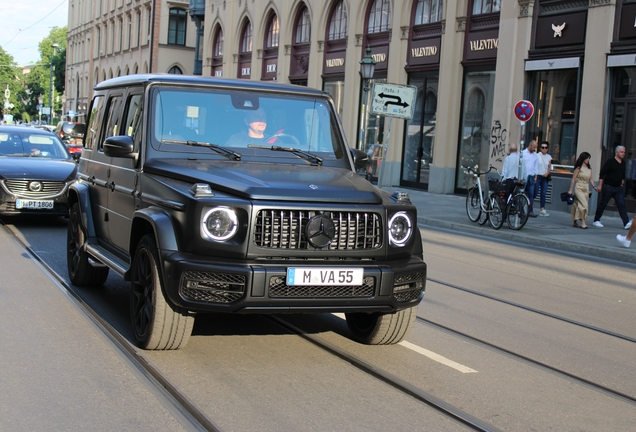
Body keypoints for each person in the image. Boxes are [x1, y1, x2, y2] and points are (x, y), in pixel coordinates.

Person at [593, 145, 632, 230]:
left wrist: (622, 181)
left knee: (621, 204)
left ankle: (626, 223)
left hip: (618, 188)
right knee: (603, 203)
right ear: (617, 152)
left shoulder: (623, 163)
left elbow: (622, 173)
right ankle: (596, 220)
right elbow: (602, 173)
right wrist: (600, 185)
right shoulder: (610, 162)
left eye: (624, 152)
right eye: (621, 152)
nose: (623, 154)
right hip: (608, 186)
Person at [568, 152, 597, 229]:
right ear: (583, 158)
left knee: (577, 204)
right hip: (579, 187)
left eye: (589, 158)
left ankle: (574, 221)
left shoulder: (589, 168)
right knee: (584, 205)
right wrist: (570, 190)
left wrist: (594, 186)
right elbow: (573, 179)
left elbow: (591, 178)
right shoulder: (578, 168)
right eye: (587, 158)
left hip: (586, 188)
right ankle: (583, 222)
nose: (588, 160)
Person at [521, 140, 539, 217]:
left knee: (531, 194)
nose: (534, 149)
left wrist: (536, 176)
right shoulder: (523, 153)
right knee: (521, 193)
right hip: (523, 176)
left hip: (531, 176)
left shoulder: (535, 155)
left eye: (536, 147)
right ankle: (521, 210)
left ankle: (530, 210)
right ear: (530, 145)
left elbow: (536, 166)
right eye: (534, 147)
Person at [536, 141, 552, 216]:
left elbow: (549, 167)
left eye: (545, 147)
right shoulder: (537, 156)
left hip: (545, 177)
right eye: (542, 147)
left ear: (548, 149)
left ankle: (542, 208)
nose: (544, 149)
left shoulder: (549, 157)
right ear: (540, 148)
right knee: (535, 192)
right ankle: (530, 208)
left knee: (543, 193)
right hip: (538, 176)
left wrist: (547, 172)